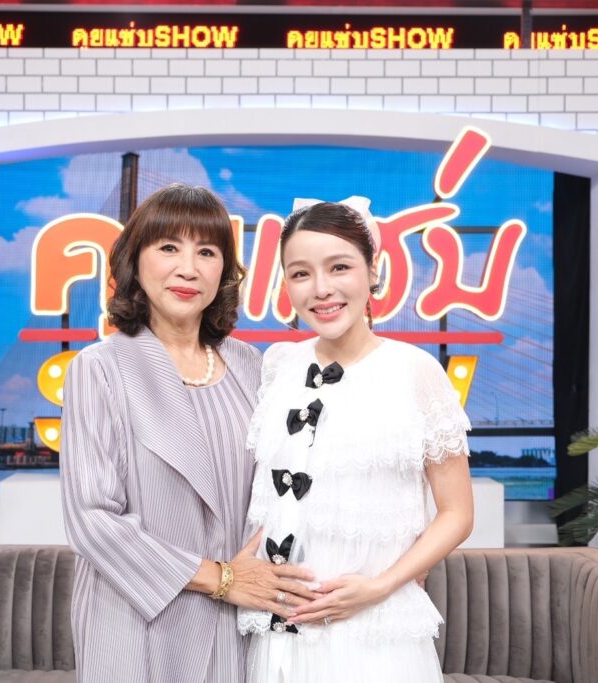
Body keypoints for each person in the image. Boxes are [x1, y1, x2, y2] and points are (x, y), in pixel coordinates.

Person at [59, 183, 316, 683]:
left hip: (236, 620)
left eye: (207, 252)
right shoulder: (100, 368)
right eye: (168, 247)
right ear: (135, 262)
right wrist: (221, 579)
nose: (188, 268)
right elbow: (92, 519)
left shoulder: (249, 365)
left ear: (224, 270)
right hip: (137, 617)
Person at [238, 198, 474, 682]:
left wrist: (380, 586)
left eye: (339, 267)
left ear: (373, 271)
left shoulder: (415, 371)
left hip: (373, 631)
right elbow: (275, 493)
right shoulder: (278, 365)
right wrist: (243, 562)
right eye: (300, 273)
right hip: (278, 629)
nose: (321, 289)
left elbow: (458, 513)